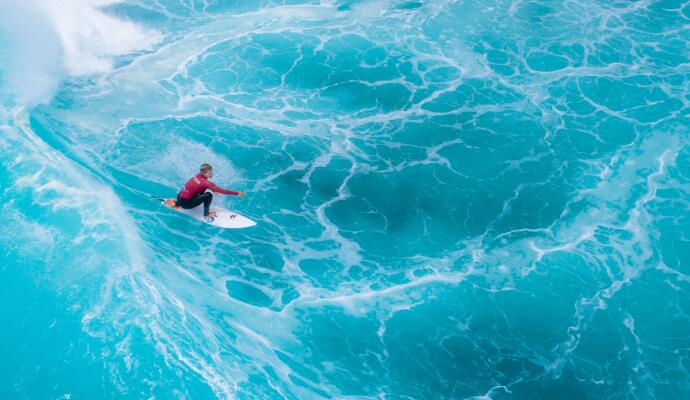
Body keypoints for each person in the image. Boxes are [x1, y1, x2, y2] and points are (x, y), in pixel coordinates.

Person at [176, 163, 244, 218]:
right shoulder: (206, 182)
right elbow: (221, 190)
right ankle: (206, 214)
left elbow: (201, 186)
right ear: (204, 173)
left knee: (196, 189)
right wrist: (237, 193)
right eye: (209, 173)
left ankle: (177, 203)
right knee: (209, 195)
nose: (211, 174)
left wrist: (214, 190)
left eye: (211, 172)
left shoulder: (197, 175)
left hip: (178, 198)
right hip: (186, 204)